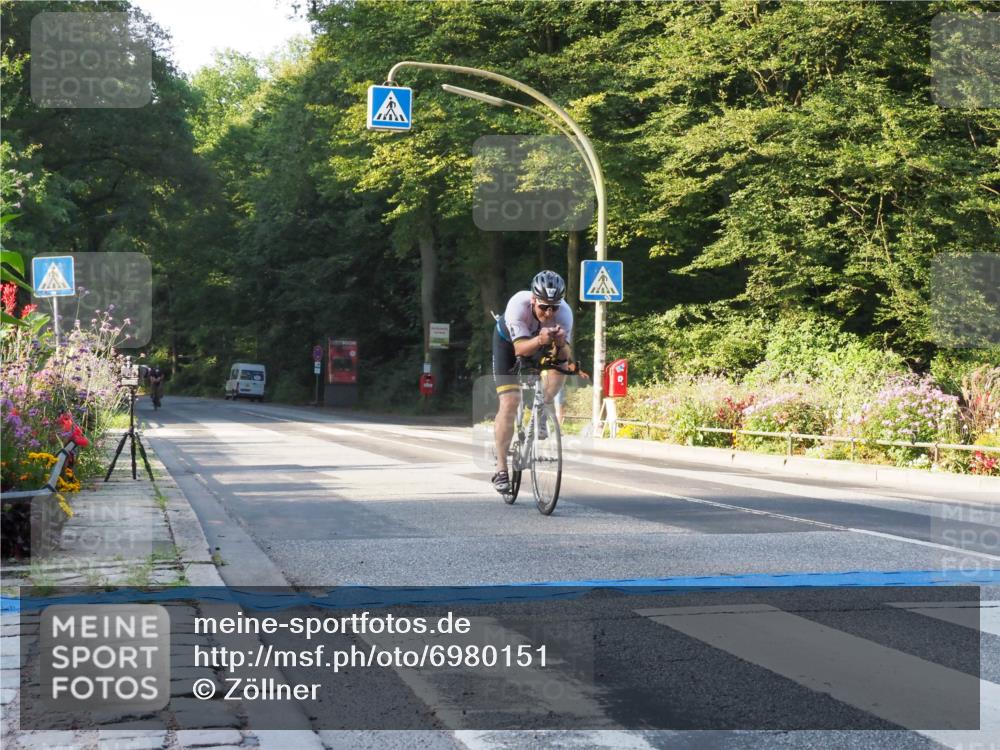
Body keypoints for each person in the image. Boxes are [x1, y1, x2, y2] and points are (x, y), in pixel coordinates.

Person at [491, 270, 583, 494]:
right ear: (533, 300)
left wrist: (561, 345)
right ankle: (501, 468)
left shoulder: (565, 314)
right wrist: (542, 338)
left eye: (554, 307)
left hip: (540, 343)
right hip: (509, 345)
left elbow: (565, 357)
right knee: (510, 402)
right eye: (543, 307)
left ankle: (541, 409)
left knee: (560, 367)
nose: (549, 312)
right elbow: (520, 349)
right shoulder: (517, 306)